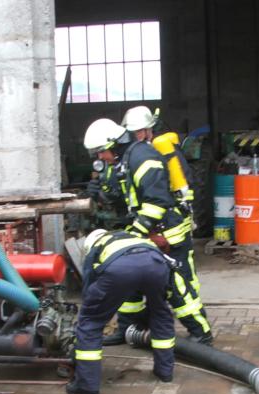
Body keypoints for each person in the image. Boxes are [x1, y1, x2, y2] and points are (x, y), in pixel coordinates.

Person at [82, 118, 213, 346]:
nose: (100, 157)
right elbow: (121, 196)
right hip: (145, 232)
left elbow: (157, 201)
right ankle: (127, 329)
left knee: (176, 285)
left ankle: (201, 332)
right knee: (130, 282)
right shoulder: (122, 161)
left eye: (101, 151)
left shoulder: (143, 158)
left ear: (114, 144)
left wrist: (135, 232)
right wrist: (100, 192)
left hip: (167, 233)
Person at [66, 228, 175, 394]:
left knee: (90, 323)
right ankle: (165, 372)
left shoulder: (96, 247)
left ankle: (87, 386)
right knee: (160, 314)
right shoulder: (131, 237)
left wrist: (91, 310)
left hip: (120, 269)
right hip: (156, 264)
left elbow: (89, 284)